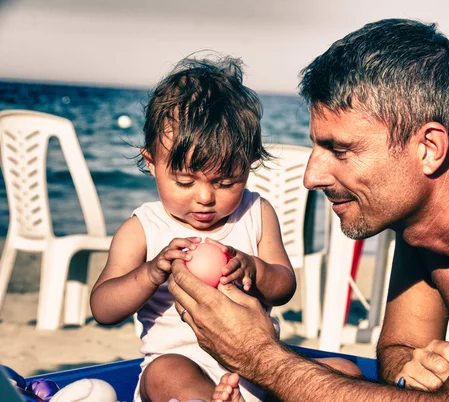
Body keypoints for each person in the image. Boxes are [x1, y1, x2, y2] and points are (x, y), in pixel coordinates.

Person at [168, 19, 449, 402]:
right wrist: (413, 372)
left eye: (339, 149)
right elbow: (398, 351)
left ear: (428, 148)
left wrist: (260, 356)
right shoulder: (432, 207)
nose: (311, 176)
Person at [90, 55, 359, 402]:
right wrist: (152, 272)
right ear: (151, 162)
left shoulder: (256, 212)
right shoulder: (143, 229)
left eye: (227, 181)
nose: (205, 197)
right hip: (183, 366)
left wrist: (254, 269)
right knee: (164, 372)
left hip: (258, 364)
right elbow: (103, 307)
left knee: (348, 374)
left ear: (248, 167)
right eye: (184, 181)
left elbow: (283, 287)